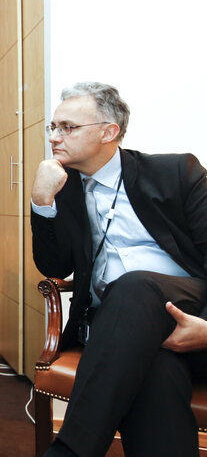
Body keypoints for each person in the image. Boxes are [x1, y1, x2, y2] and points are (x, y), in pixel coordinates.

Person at [31, 82, 207, 457]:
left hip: (190, 316)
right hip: (125, 331)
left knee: (135, 285)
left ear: (109, 132)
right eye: (53, 127)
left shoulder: (176, 172)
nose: (54, 137)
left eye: (67, 127)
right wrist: (41, 201)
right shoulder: (64, 186)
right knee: (157, 376)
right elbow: (54, 266)